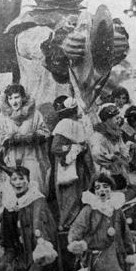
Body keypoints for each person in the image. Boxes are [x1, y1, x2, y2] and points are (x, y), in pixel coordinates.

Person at [67, 174, 136, 271]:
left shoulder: (117, 209)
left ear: (111, 189)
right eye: (97, 187)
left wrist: (130, 253)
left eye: (105, 186)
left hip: (117, 258)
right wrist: (76, 243)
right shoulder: (89, 210)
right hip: (96, 258)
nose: (102, 190)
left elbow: (126, 233)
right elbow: (76, 229)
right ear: (94, 191)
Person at [0, 166, 58, 271]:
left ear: (28, 181)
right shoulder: (10, 205)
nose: (18, 182)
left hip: (38, 257)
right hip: (19, 258)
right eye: (14, 179)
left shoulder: (37, 201)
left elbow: (40, 232)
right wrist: (3, 267)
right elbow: (8, 241)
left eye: (21, 178)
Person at [0, 84, 51, 193]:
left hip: (31, 158)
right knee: (13, 191)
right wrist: (10, 139)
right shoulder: (3, 116)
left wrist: (33, 136)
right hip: (12, 159)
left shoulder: (34, 113)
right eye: (10, 98)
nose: (14, 102)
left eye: (17, 97)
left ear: (23, 97)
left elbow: (46, 132)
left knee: (34, 188)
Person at [51, 96, 93, 231]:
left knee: (79, 195)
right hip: (67, 167)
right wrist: (74, 148)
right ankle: (66, 224)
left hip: (80, 166)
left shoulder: (79, 124)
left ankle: (78, 225)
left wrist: (82, 148)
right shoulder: (64, 124)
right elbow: (56, 148)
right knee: (69, 197)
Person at [89, 104, 130, 180]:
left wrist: (123, 155)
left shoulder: (117, 135)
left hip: (118, 173)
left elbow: (124, 150)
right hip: (104, 175)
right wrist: (112, 157)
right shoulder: (98, 136)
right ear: (108, 119)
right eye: (116, 118)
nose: (119, 121)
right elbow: (96, 154)